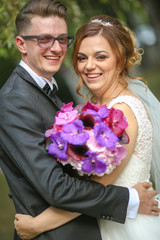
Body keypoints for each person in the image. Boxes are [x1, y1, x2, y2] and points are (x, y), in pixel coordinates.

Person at [13, 14, 160, 240]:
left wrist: (36, 225)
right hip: (100, 222)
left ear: (120, 60)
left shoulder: (123, 112)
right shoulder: (86, 112)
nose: (89, 66)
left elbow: (97, 191)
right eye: (82, 58)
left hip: (126, 228)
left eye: (101, 56)